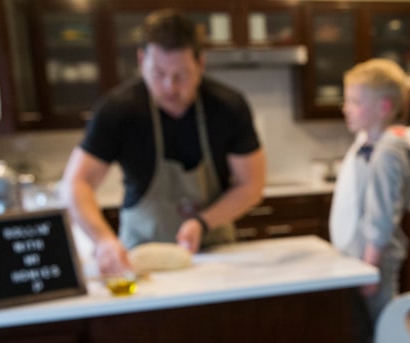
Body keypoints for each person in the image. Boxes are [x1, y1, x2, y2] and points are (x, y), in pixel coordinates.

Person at [64, 9, 266, 276]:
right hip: (138, 257)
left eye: (181, 75)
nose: (170, 87)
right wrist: (103, 240)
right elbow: (76, 183)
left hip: (214, 253)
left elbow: (252, 184)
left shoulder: (228, 107)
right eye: (158, 73)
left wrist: (202, 222)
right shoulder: (117, 110)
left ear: (201, 65)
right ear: (141, 60)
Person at [329, 58, 410, 333]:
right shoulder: (369, 141)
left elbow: (381, 215)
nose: (346, 108)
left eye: (355, 102)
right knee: (367, 334)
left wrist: (370, 268)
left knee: (384, 332)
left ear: (384, 108)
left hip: (374, 261)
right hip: (358, 259)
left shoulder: (387, 152)